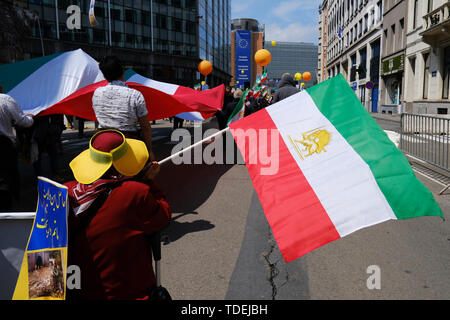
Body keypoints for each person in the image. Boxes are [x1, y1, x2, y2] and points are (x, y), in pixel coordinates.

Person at [66, 129, 171, 300]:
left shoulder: (66, 191)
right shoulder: (134, 192)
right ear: (122, 163)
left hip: (79, 291)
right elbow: (163, 215)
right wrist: (150, 182)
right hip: (128, 292)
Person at [92, 56, 155, 161]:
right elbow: (145, 127)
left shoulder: (97, 93)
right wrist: (150, 150)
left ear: (104, 75)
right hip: (128, 143)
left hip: (101, 144)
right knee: (142, 174)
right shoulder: (135, 95)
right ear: (123, 71)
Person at [0, 84, 34, 210]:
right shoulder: (5, 99)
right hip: (3, 145)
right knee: (6, 178)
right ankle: (7, 211)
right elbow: (23, 122)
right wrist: (30, 117)